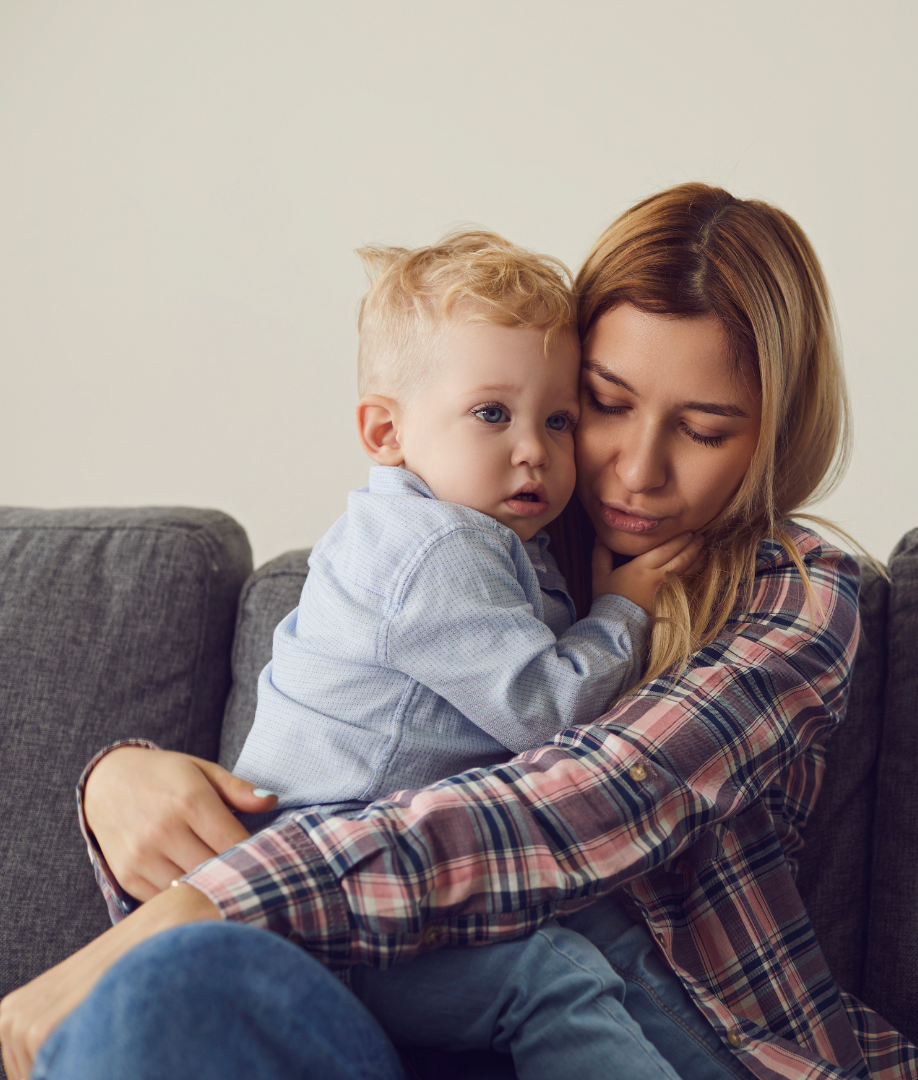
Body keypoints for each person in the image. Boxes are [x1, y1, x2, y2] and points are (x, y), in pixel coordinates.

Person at [0, 183, 918, 1080]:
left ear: (777, 434)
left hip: (675, 1029)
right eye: (607, 407)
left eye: (703, 431)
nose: (636, 470)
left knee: (186, 961)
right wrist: (116, 782)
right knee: (172, 991)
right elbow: (317, 720)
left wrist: (211, 897)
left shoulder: (794, 593)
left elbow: (587, 800)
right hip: (396, 1000)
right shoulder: (480, 536)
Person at [228, 228, 705, 1079]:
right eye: (493, 413)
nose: (535, 448)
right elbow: (544, 710)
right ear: (385, 431)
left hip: (401, 880)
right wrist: (623, 611)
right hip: (330, 900)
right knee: (551, 974)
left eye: (558, 419)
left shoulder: (483, 533)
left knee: (610, 936)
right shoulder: (432, 545)